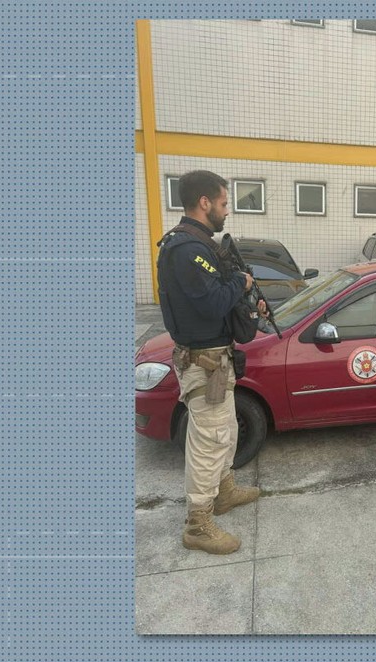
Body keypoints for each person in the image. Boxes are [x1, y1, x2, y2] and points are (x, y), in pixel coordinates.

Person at [156, 169, 266, 555]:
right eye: (223, 203)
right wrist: (243, 283)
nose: (226, 211)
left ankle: (223, 492)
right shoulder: (188, 250)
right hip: (204, 362)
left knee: (226, 434)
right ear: (204, 202)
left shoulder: (196, 244)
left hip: (216, 359)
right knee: (209, 440)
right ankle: (198, 525)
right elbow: (215, 301)